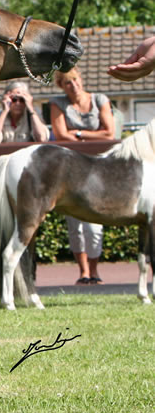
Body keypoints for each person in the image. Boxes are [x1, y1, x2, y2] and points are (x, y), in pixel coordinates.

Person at [51, 67, 115, 285]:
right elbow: (60, 135)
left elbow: (109, 132)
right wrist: (85, 138)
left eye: (76, 80)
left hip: (98, 170)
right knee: (75, 225)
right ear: (62, 86)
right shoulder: (57, 104)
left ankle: (95, 270)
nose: (74, 85)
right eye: (68, 82)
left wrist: (77, 134)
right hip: (71, 171)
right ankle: (83, 272)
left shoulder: (99, 100)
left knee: (95, 224)